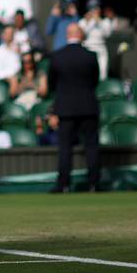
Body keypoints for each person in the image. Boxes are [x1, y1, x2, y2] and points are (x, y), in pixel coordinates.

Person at [40, 23, 100, 193]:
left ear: (68, 35)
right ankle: (94, 184)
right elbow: (95, 81)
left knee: (65, 147)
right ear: (80, 35)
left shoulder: (57, 56)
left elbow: (51, 83)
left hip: (65, 108)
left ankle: (64, 184)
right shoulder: (90, 56)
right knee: (91, 146)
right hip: (88, 106)